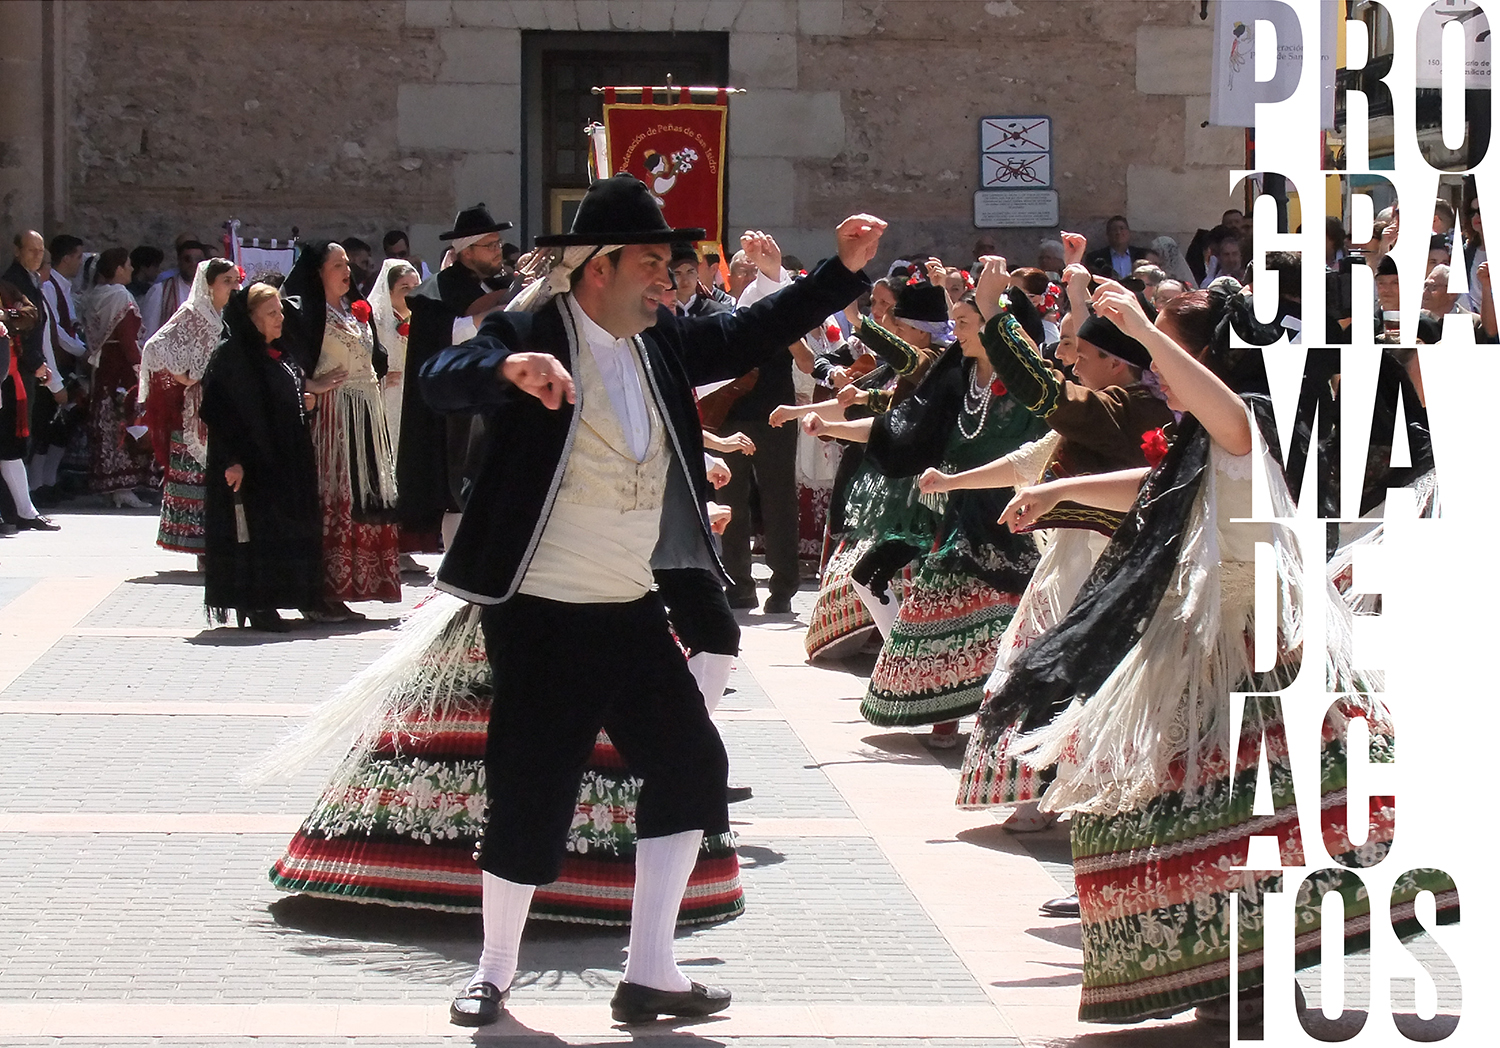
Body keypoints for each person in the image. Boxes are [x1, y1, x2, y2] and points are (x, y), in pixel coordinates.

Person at [418, 173, 880, 1027]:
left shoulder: (659, 337)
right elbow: (445, 373)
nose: (670, 279)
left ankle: (651, 971)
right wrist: (510, 368)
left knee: (692, 765)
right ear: (597, 268)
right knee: (531, 789)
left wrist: (840, 275)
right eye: (653, 263)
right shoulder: (532, 329)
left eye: (670, 265)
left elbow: (749, 334)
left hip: (630, 605)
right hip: (543, 610)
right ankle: (492, 971)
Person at [981, 278, 1439, 1025]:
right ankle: (1230, 977)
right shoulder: (1201, 429)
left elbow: (1224, 418)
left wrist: (1142, 327)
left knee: (1246, 817)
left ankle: (1253, 981)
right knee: (1185, 815)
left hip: (1251, 646)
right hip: (1200, 641)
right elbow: (1154, 485)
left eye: (1165, 347)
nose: (1153, 365)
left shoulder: (1245, 416)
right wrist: (1059, 494)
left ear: (1203, 356)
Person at [805, 285, 1047, 741]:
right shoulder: (954, 377)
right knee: (943, 605)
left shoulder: (1030, 386)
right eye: (954, 323)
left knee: (1014, 616)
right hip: (961, 512)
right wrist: (832, 425)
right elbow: (899, 425)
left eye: (965, 324)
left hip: (1018, 510)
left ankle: (1012, 717)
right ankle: (945, 711)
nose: (955, 332)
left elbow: (1047, 448)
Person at [281, 241, 401, 620]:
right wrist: (308, 386)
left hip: (365, 412)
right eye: (337, 264)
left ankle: (349, 588)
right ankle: (321, 593)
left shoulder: (353, 310)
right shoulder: (304, 313)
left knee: (363, 495)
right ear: (318, 273)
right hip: (332, 417)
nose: (347, 270)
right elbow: (283, 356)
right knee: (335, 497)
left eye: (347, 263)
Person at [200, 284, 327, 630]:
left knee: (282, 530)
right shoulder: (233, 356)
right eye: (271, 313)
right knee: (255, 534)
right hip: (252, 464)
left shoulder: (278, 352)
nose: (280, 319)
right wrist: (232, 460)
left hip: (284, 460)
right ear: (251, 318)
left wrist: (305, 404)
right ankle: (256, 604)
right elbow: (219, 413)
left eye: (280, 312)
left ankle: (280, 598)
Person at [397, 203, 514, 550]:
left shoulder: (497, 283)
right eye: (489, 245)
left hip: (489, 399)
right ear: (465, 252)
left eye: (497, 244)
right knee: (453, 487)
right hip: (452, 409)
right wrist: (488, 317)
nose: (498, 251)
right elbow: (443, 338)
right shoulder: (437, 291)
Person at [141, 258, 240, 556]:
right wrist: (182, 375)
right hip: (196, 409)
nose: (234, 287)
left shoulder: (231, 316)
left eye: (236, 280)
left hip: (225, 404)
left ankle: (221, 545)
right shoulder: (192, 313)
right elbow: (155, 346)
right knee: (197, 473)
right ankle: (201, 550)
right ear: (208, 285)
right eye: (227, 281)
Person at [78, 248, 156, 508]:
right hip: (120, 369)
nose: (132, 270)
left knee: (109, 423)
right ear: (119, 269)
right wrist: (140, 370)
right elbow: (127, 338)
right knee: (124, 421)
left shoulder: (96, 295)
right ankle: (123, 486)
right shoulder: (120, 295)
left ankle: (114, 485)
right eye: (128, 265)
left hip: (103, 369)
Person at [368, 258, 420, 457]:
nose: (412, 292)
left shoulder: (422, 319)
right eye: (404, 287)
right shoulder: (377, 322)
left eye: (416, 286)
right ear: (389, 291)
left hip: (412, 392)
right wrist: (378, 380)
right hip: (386, 393)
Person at [141, 239, 207, 341]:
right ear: (179, 261)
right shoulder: (160, 290)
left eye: (198, 260)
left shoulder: (212, 291)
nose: (193, 264)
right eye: (187, 259)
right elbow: (148, 332)